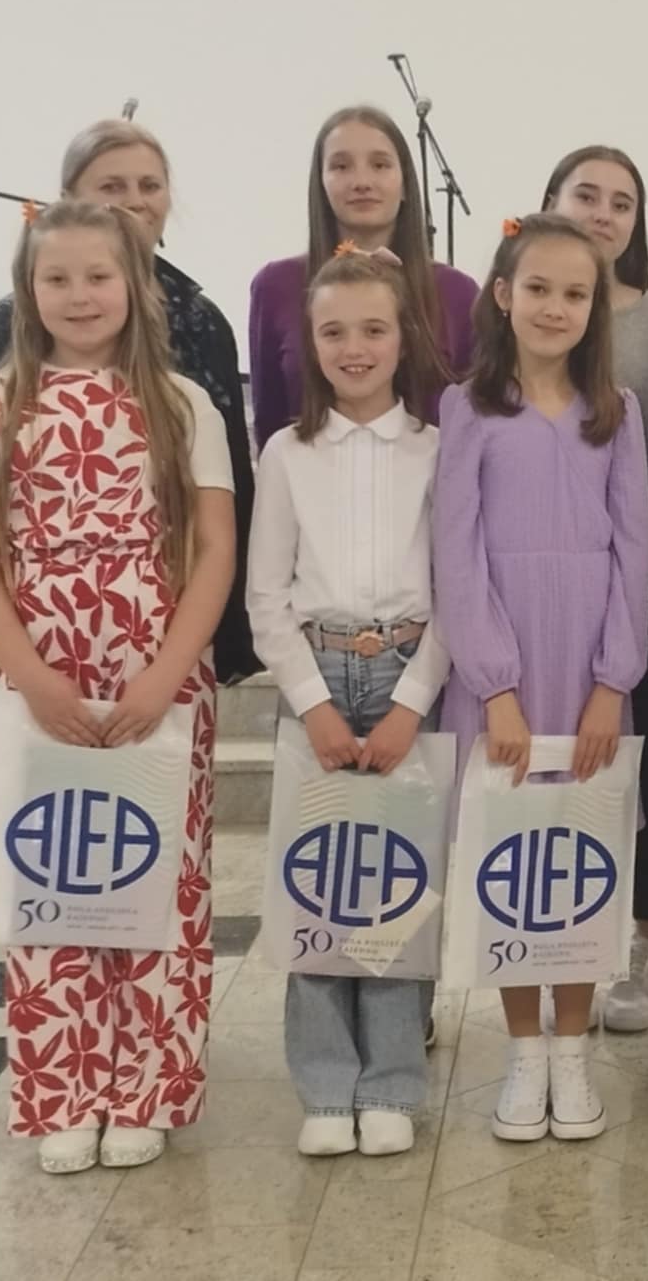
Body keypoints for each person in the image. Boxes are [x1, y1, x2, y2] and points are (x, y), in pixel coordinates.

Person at [0, 201, 235, 1173]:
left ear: (135, 286)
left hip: (159, 671)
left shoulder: (184, 404)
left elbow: (214, 548)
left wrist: (168, 672)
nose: (79, 295)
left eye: (98, 276)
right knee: (55, 875)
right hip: (46, 671)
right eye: (56, 278)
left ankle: (146, 1087)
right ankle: (66, 1087)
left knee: (158, 878)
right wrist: (30, 677)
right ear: (28, 291)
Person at [433, 213, 648, 1142]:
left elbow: (634, 551)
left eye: (575, 293)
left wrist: (613, 680)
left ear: (595, 307)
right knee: (513, 861)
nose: (556, 307)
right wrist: (494, 687)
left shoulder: (618, 412)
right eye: (538, 289)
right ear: (502, 295)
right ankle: (524, 1053)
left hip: (589, 669)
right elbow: (456, 553)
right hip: (507, 674)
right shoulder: (467, 408)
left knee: (581, 858)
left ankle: (572, 1048)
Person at [247, 248, 453, 1158]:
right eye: (334, 332)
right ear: (308, 344)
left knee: (402, 886)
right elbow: (265, 597)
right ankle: (328, 1085)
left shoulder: (438, 449)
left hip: (409, 673)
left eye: (374, 329)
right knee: (320, 884)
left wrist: (413, 699)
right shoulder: (287, 454)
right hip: (318, 677)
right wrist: (311, 704)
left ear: (405, 338)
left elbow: (457, 591)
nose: (355, 347)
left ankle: (394, 1081)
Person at [0, 119, 257, 685]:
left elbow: (228, 501)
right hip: (46, 634)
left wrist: (223, 632)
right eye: (112, 186)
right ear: (70, 199)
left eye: (150, 185)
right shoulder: (14, 331)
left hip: (168, 631)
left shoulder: (201, 323)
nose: (135, 201)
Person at [542, 145, 648, 1032]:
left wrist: (638, 565)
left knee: (643, 759)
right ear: (551, 201)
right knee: (556, 763)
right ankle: (558, 940)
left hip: (645, 577)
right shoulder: (527, 307)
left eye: (621, 201)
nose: (603, 213)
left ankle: (642, 940)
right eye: (585, 195)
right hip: (540, 585)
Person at [251, 105, 479, 445]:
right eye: (341, 166)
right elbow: (269, 421)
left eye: (380, 165)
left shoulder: (457, 292)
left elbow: (476, 427)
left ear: (405, 183)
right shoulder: (277, 285)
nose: (361, 182)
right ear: (320, 183)